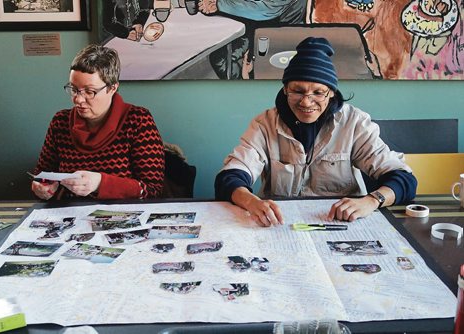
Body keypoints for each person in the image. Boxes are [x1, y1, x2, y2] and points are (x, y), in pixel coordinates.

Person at [214, 37, 417, 226]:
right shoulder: (264, 124)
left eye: (318, 92)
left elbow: (403, 179)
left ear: (331, 93)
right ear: (285, 89)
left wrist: (372, 201)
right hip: (280, 223)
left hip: (341, 223)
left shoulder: (354, 124)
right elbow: (230, 176)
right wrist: (251, 202)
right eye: (297, 91)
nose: (306, 101)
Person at [31, 44, 165, 200]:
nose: (78, 99)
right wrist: (42, 187)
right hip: (69, 215)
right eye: (74, 89)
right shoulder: (60, 122)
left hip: (124, 216)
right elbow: (41, 175)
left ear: (112, 88)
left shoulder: (138, 121)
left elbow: (153, 190)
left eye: (89, 91)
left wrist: (101, 183)